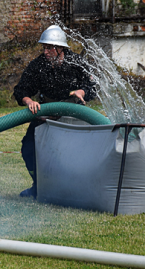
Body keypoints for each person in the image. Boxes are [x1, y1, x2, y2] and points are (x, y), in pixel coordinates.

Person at [12, 25, 97, 199]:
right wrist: (29, 101)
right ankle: (38, 186)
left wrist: (82, 92)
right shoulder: (37, 66)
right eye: (44, 47)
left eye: (50, 48)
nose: (46, 51)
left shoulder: (77, 63)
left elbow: (93, 87)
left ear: (61, 49)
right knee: (28, 147)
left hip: (73, 115)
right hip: (46, 115)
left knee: (75, 153)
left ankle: (77, 188)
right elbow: (20, 90)